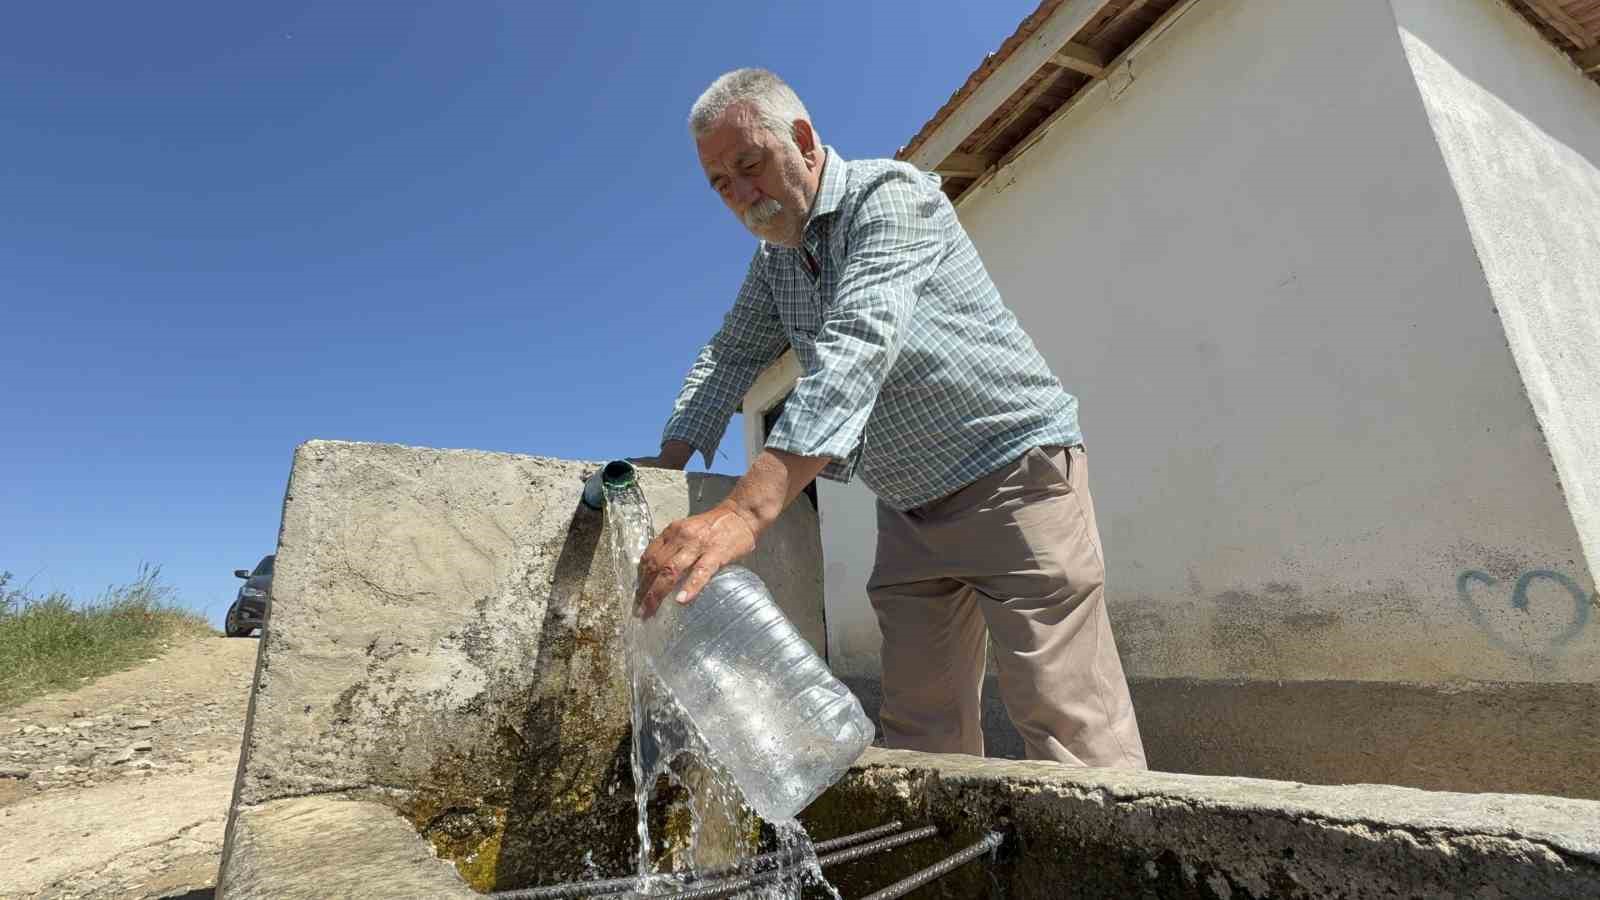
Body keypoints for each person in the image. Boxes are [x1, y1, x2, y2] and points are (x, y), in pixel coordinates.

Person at [631, 68, 1145, 769]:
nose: (741, 195)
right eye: (721, 183)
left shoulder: (893, 197)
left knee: (1068, 721)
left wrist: (744, 513)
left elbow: (858, 345)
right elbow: (729, 355)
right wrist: (665, 467)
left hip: (1013, 474)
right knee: (919, 734)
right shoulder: (775, 262)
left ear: (803, 142)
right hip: (907, 507)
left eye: (749, 165)